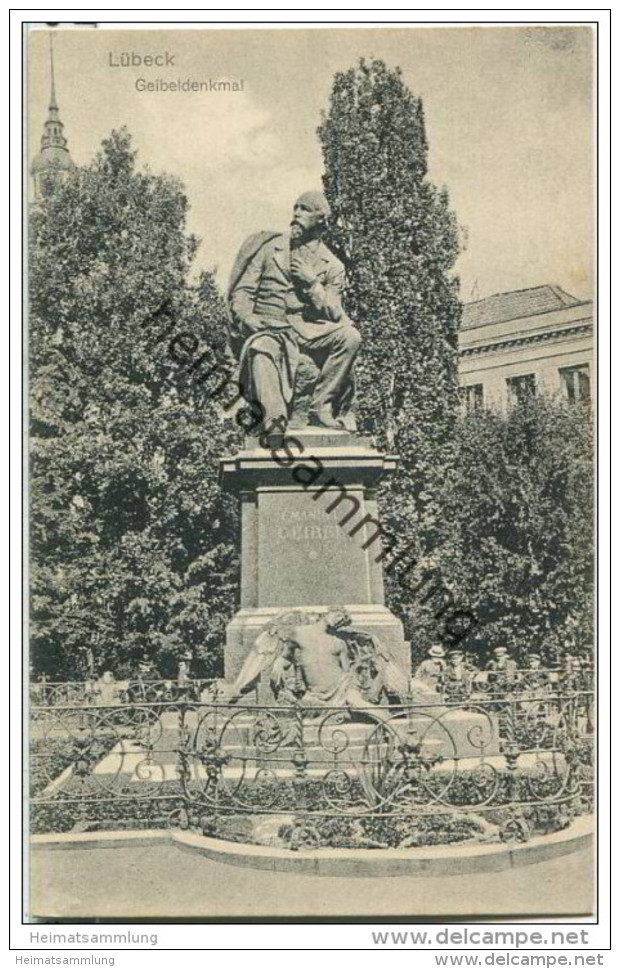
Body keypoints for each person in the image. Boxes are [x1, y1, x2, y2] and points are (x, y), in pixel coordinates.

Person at [228, 191, 361, 432]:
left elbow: (335, 313)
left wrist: (312, 285)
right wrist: (247, 318)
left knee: (351, 336)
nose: (297, 213)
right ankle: (275, 420)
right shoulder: (270, 248)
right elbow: (243, 291)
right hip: (270, 325)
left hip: (307, 329)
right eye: (296, 207)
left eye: (305, 209)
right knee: (261, 348)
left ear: (321, 220)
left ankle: (321, 406)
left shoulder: (333, 266)